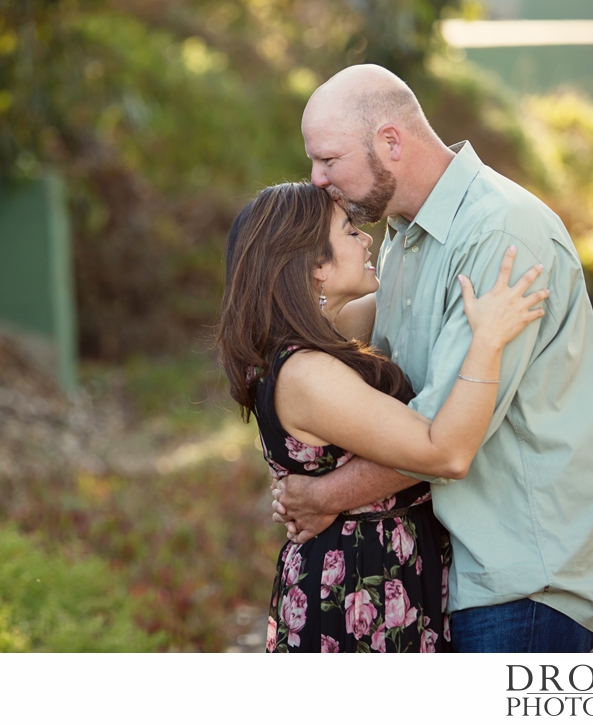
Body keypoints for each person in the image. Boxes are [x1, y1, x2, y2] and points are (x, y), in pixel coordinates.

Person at [271, 64, 593, 652]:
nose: (316, 180)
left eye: (329, 160)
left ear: (391, 142)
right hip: (452, 573)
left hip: (520, 578)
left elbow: (442, 441)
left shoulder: (500, 235)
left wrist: (322, 495)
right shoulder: (406, 235)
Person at [218, 181, 547, 652]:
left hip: (378, 577)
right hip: (358, 593)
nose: (367, 238)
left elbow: (420, 293)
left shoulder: (309, 340)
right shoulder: (307, 373)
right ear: (316, 265)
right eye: (350, 231)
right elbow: (443, 452)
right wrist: (488, 341)